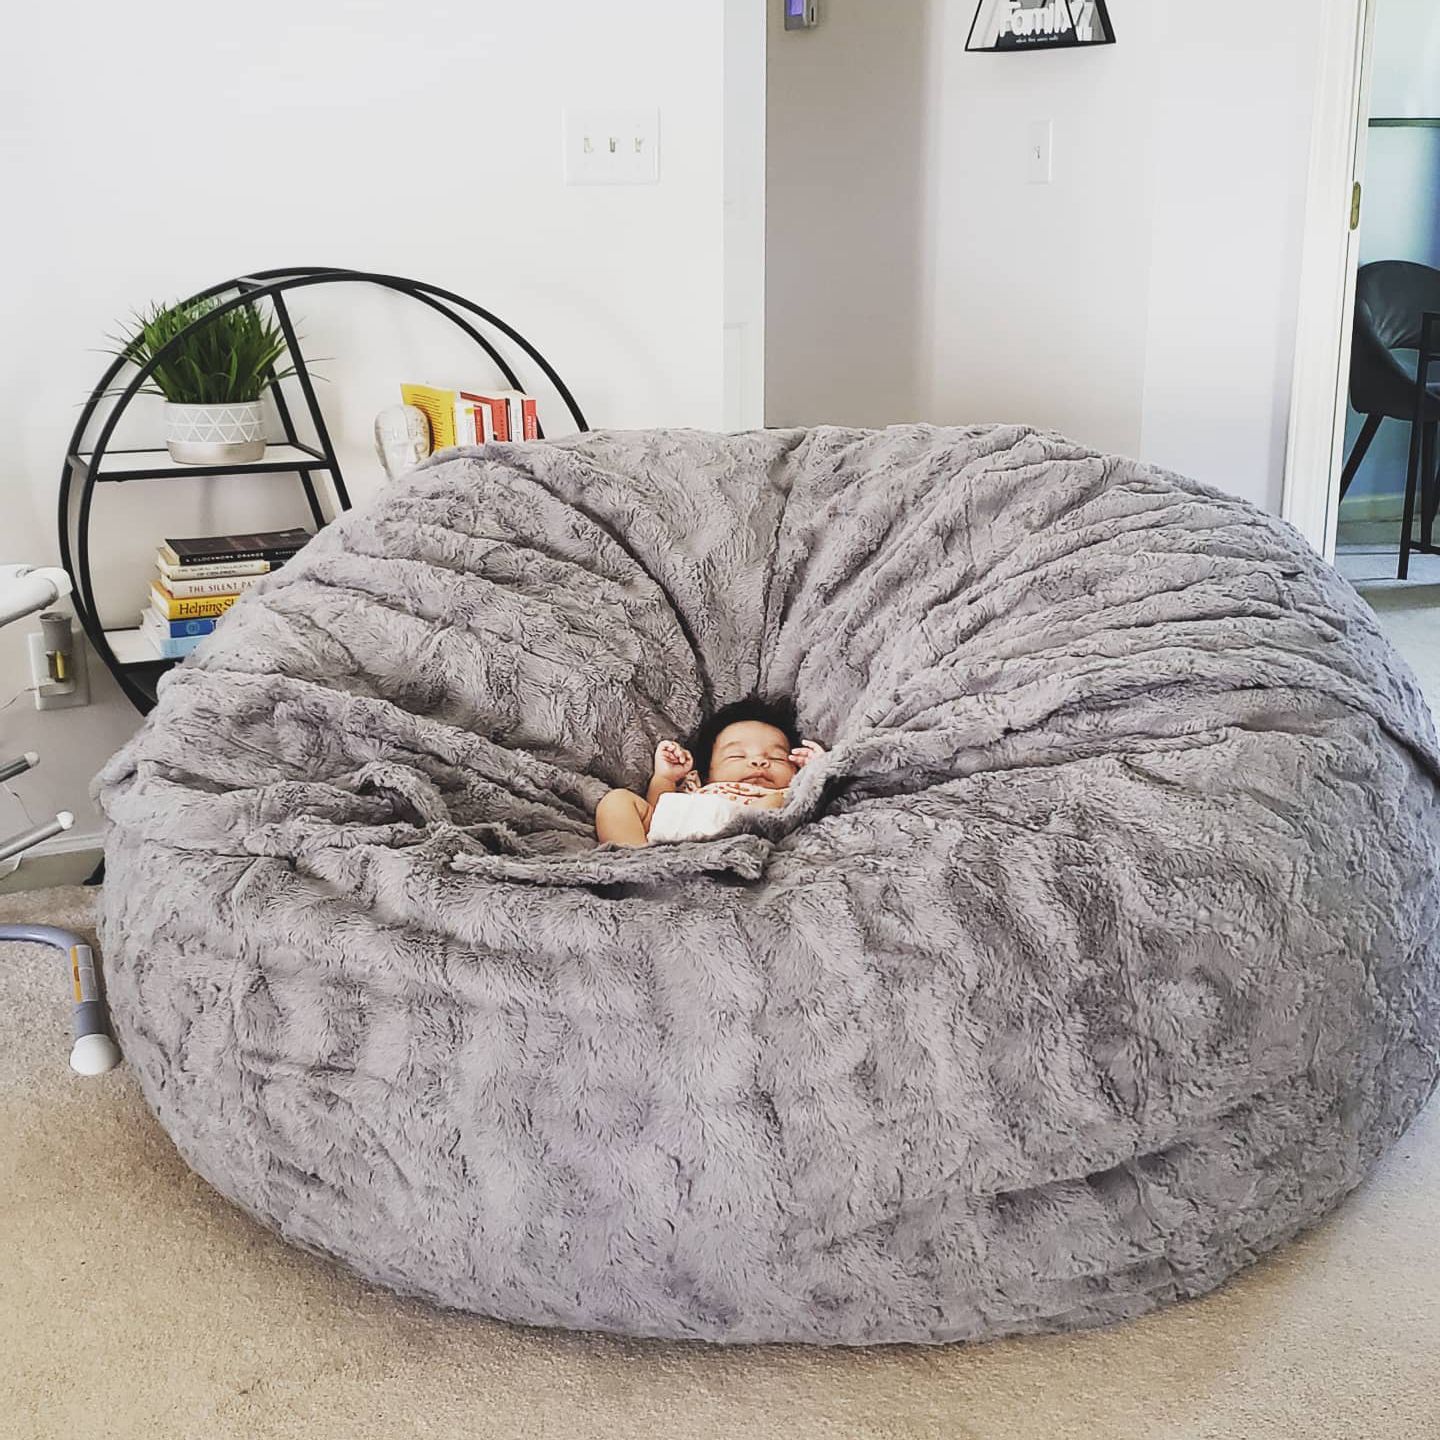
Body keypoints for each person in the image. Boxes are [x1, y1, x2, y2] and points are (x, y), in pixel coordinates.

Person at [595, 696, 825, 846]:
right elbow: (660, 813)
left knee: (772, 804)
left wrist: (816, 772)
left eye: (776, 757)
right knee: (617, 800)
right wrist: (665, 777)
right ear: (707, 774)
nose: (759, 761)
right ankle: (633, 862)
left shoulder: (786, 793)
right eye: (737, 756)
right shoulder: (697, 791)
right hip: (665, 854)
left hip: (738, 845)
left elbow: (814, 802)